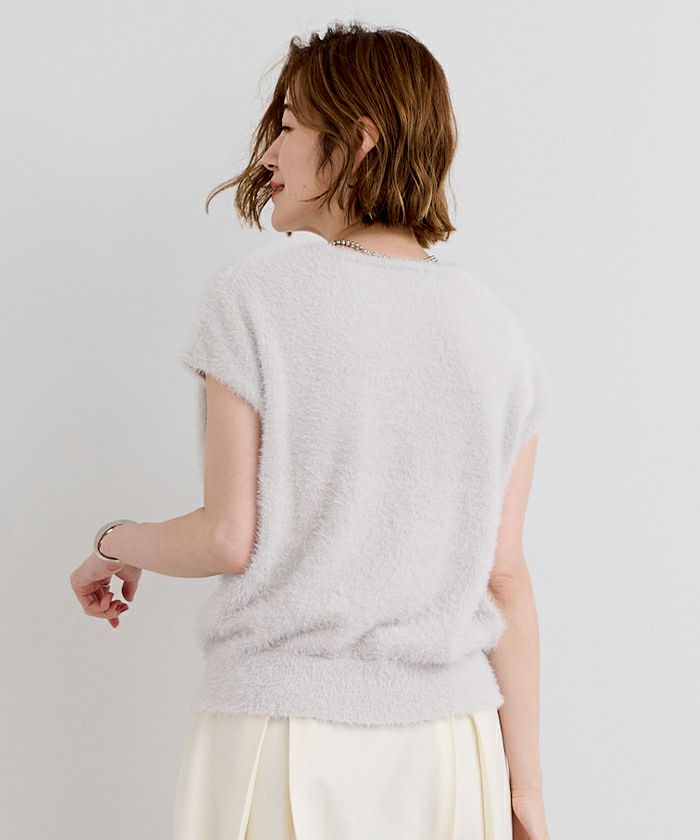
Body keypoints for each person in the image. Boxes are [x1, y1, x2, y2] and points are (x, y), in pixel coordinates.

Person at [69, 21, 552, 840]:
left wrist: (114, 543)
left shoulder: (254, 300)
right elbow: (504, 577)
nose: (269, 155)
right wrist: (525, 787)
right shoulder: (497, 332)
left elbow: (228, 538)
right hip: (453, 745)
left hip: (285, 731)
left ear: (358, 143)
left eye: (289, 126)